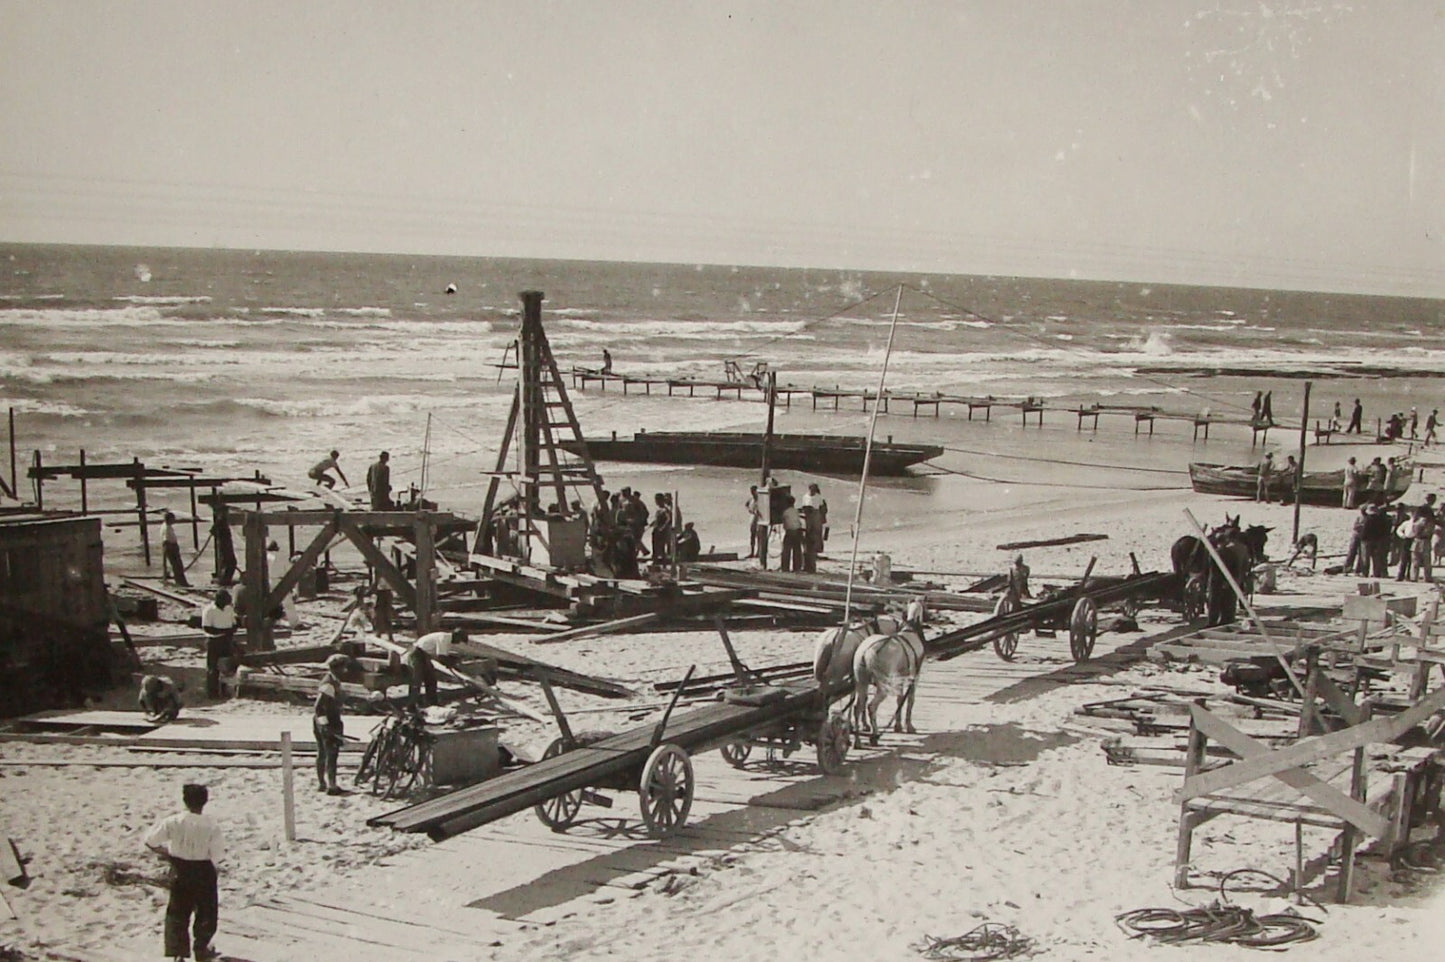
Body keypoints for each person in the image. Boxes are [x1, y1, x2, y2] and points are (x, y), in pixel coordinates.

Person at [145, 783, 224, 962]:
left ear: (184, 800)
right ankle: (202, 948)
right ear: (205, 802)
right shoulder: (211, 825)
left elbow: (150, 840)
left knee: (177, 911)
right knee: (206, 911)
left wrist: (167, 853)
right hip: (203, 869)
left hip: (180, 868)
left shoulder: (173, 821)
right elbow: (217, 855)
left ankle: (178, 953)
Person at [313, 653, 350, 795]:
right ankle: (332, 786)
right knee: (331, 754)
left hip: (323, 720)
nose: (346, 671)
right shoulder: (329, 684)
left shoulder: (332, 681)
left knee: (322, 752)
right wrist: (325, 725)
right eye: (344, 667)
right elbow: (319, 707)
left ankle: (322, 783)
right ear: (338, 668)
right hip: (329, 721)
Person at [405, 628, 464, 708]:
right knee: (416, 681)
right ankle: (411, 706)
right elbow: (441, 657)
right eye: (459, 640)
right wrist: (452, 665)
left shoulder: (447, 640)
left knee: (431, 679)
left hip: (425, 655)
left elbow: (444, 657)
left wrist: (451, 663)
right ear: (456, 636)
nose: (458, 643)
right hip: (416, 654)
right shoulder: (444, 638)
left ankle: (432, 703)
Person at [200, 590, 236, 700]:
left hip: (226, 640)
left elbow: (234, 623)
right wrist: (223, 631)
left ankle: (224, 690)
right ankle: (212, 692)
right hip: (214, 641)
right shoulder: (209, 610)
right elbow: (207, 628)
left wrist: (231, 631)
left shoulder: (229, 609)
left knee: (226, 667)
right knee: (213, 668)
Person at [210, 503, 237, 587]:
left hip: (225, 544)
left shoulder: (221, 519)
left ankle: (224, 579)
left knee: (227, 562)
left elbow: (213, 531)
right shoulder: (221, 519)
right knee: (231, 562)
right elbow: (213, 530)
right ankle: (225, 580)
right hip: (225, 544)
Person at [162, 511, 190, 587]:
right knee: (177, 565)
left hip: (170, 546)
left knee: (176, 565)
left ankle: (180, 581)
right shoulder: (167, 528)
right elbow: (168, 539)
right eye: (173, 519)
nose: (174, 520)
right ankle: (182, 583)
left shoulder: (166, 526)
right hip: (170, 546)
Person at [779, 495, 805, 572]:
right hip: (798, 531)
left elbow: (782, 519)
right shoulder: (795, 511)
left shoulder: (785, 512)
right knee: (797, 550)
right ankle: (797, 567)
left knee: (786, 550)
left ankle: (785, 568)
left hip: (790, 531)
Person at [650, 492, 674, 564]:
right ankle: (656, 561)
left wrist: (663, 527)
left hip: (661, 531)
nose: (656, 502)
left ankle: (662, 563)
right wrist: (653, 523)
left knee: (661, 547)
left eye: (657, 500)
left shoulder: (665, 509)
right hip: (656, 529)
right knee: (655, 546)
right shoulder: (659, 509)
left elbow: (669, 519)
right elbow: (658, 519)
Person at [745, 485, 766, 562]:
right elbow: (746, 504)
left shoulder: (760, 500)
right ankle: (752, 551)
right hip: (752, 517)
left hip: (758, 518)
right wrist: (750, 510)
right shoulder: (751, 499)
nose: (753, 493)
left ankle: (758, 552)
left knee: (759, 536)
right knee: (752, 535)